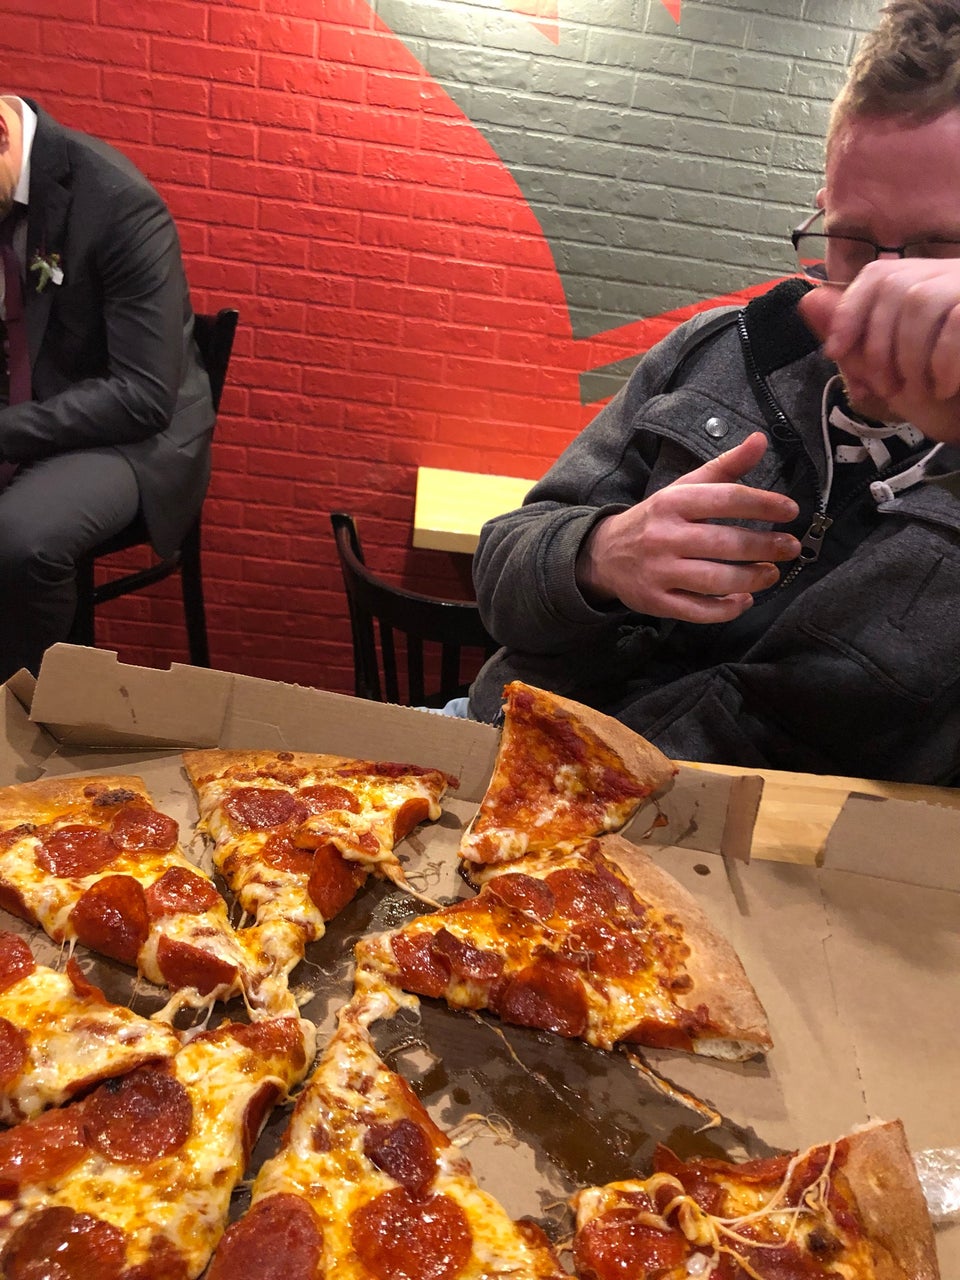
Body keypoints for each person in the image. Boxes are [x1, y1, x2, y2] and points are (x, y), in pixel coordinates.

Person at [467, 0, 960, 786]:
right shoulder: (714, 350)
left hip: (761, 843)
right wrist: (599, 555)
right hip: (508, 760)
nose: (875, 292)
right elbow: (501, 578)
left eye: (942, 249)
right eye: (851, 241)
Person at [0, 94, 213, 681]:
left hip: (135, 434)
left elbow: (144, 395)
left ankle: (28, 713)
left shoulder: (118, 201)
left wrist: (6, 432)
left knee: (20, 540)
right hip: (38, 399)